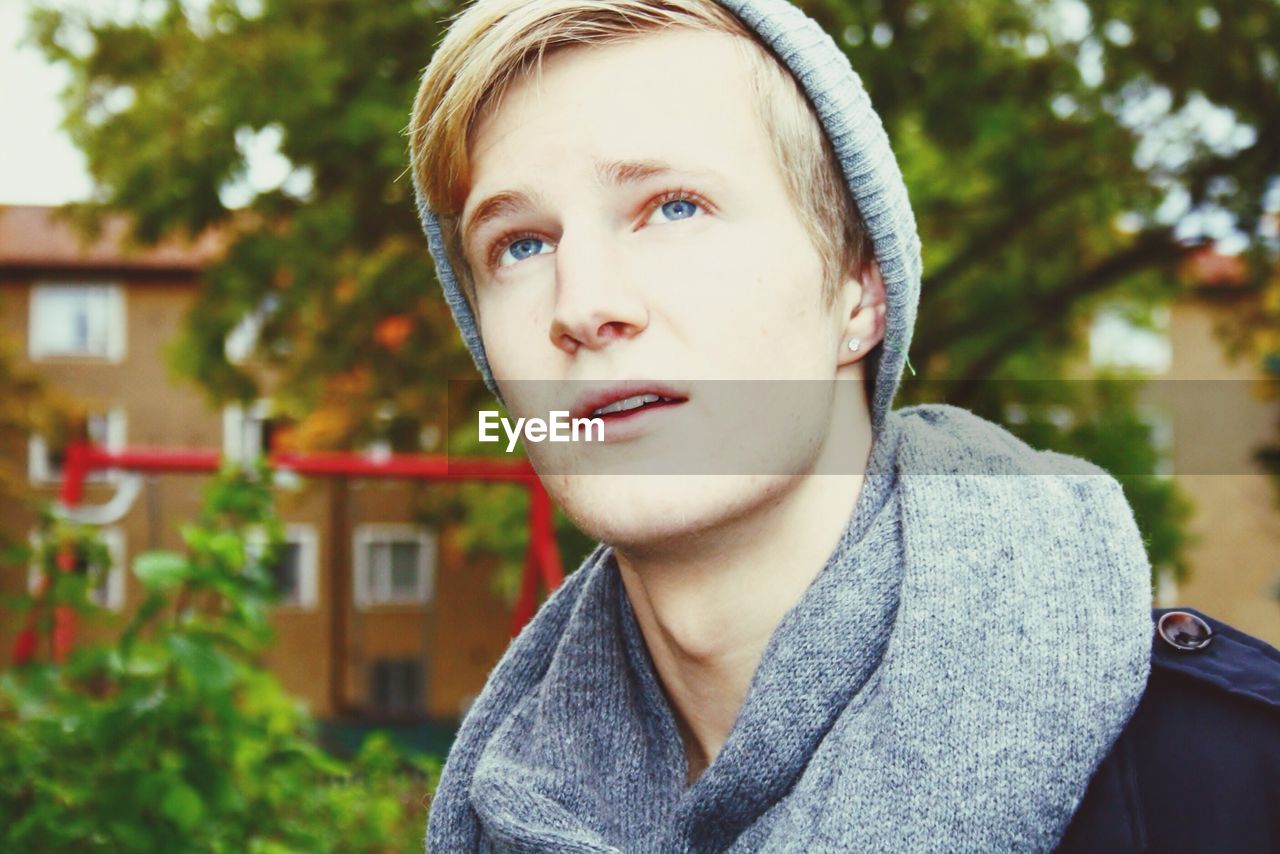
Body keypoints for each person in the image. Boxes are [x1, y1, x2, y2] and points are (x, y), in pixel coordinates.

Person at [408, 0, 1279, 849]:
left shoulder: (1229, 779)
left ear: (860, 292)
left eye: (674, 207)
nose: (584, 303)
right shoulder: (501, 812)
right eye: (520, 244)